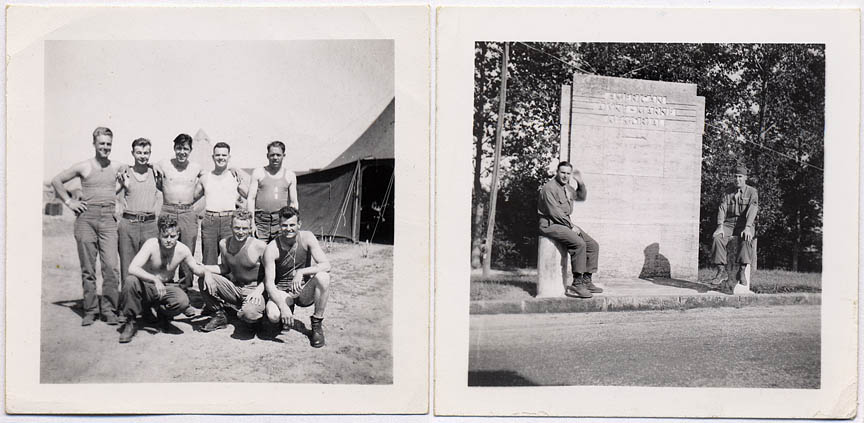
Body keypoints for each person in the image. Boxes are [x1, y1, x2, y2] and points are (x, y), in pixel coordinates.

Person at [51, 127, 123, 326]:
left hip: (108, 219)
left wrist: (116, 196)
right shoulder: (84, 166)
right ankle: (90, 309)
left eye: (108, 144)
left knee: (110, 266)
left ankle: (109, 309)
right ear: (94, 144)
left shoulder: (117, 166)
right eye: (102, 143)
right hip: (86, 219)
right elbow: (57, 181)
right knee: (88, 268)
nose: (105, 147)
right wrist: (69, 202)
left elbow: (136, 173)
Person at [117, 214, 212, 343]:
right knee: (130, 281)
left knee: (182, 301)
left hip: (167, 287)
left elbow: (195, 268)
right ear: (159, 235)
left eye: (172, 236)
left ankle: (163, 314)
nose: (169, 240)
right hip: (147, 286)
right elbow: (132, 268)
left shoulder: (182, 250)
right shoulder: (151, 244)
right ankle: (131, 321)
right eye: (165, 236)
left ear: (178, 235)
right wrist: (154, 279)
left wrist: (207, 273)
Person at [261, 206, 331, 348]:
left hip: (302, 290)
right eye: (284, 225)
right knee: (273, 316)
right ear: (279, 226)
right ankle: (286, 312)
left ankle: (317, 324)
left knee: (323, 277)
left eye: (292, 225)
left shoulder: (307, 237)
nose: (288, 229)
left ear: (299, 224)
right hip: (282, 291)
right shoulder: (272, 248)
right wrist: (282, 306)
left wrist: (301, 272)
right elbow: (269, 284)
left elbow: (326, 265)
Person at [537, 161, 602, 299]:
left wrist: (580, 183)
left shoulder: (567, 188)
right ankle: (577, 284)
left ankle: (586, 280)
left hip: (564, 223)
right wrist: (571, 226)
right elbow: (555, 212)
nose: (565, 176)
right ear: (557, 172)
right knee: (579, 244)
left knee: (592, 245)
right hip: (550, 224)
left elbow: (581, 196)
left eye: (568, 173)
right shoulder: (549, 188)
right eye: (562, 172)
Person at [199, 209, 267, 332]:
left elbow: (271, 274)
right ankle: (219, 315)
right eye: (237, 228)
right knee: (203, 278)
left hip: (254, 291)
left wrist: (258, 291)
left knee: (249, 315)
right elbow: (225, 268)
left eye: (244, 228)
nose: (240, 232)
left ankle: (258, 315)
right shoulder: (224, 243)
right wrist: (205, 269)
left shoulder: (259, 246)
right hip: (235, 289)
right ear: (230, 226)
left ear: (250, 228)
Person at [154, 134, 204, 297]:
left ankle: (185, 292)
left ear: (191, 150)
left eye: (186, 149)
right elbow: (153, 174)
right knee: (164, 249)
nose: (182, 152)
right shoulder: (163, 164)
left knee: (187, 251)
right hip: (168, 210)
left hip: (188, 212)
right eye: (179, 148)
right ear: (174, 148)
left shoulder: (197, 168)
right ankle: (163, 291)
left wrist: (190, 200)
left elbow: (209, 182)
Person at [194, 142, 247, 269]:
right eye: (217, 155)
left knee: (230, 259)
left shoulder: (235, 176)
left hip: (230, 221)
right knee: (208, 260)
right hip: (210, 221)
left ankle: (227, 288)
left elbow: (250, 195)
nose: (221, 158)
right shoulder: (205, 178)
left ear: (229, 157)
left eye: (224, 155)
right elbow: (190, 198)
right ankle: (207, 289)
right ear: (213, 157)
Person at [117, 138, 160, 285]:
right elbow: (110, 192)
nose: (142, 156)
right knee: (127, 266)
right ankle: (129, 305)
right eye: (139, 152)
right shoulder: (125, 172)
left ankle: (146, 305)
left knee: (149, 266)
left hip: (150, 225)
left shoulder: (155, 172)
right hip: (129, 224)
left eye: (146, 153)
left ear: (150, 154)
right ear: (132, 153)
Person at [708, 165, 759, 290]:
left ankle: (742, 270)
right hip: (729, 223)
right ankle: (721, 271)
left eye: (740, 177)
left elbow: (753, 210)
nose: (737, 179)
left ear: (745, 178)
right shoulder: (727, 192)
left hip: (744, 223)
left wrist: (747, 227)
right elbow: (722, 209)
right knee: (717, 238)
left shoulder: (752, 192)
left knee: (747, 238)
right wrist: (720, 226)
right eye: (735, 177)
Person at [247, 141, 299, 242]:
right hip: (260, 220)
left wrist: (292, 223)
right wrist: (251, 222)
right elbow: (251, 198)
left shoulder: (290, 175)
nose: (275, 157)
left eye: (278, 155)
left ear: (284, 155)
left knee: (280, 252)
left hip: (280, 220)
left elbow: (293, 202)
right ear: (267, 156)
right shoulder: (258, 172)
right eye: (272, 155)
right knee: (258, 251)